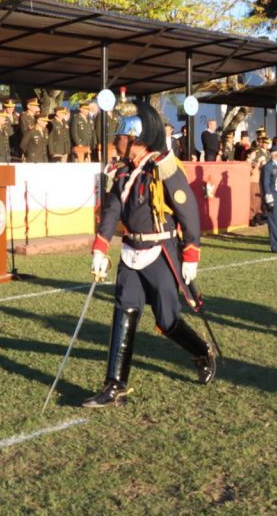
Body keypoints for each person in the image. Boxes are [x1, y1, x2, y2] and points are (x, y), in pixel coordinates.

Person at [84, 98, 215, 408]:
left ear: (137, 138)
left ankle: (201, 351)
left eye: (121, 135)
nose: (116, 140)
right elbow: (112, 211)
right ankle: (115, 384)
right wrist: (101, 249)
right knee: (124, 312)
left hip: (160, 251)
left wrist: (192, 255)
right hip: (131, 251)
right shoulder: (121, 171)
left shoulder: (163, 168)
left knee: (168, 320)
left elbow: (188, 210)